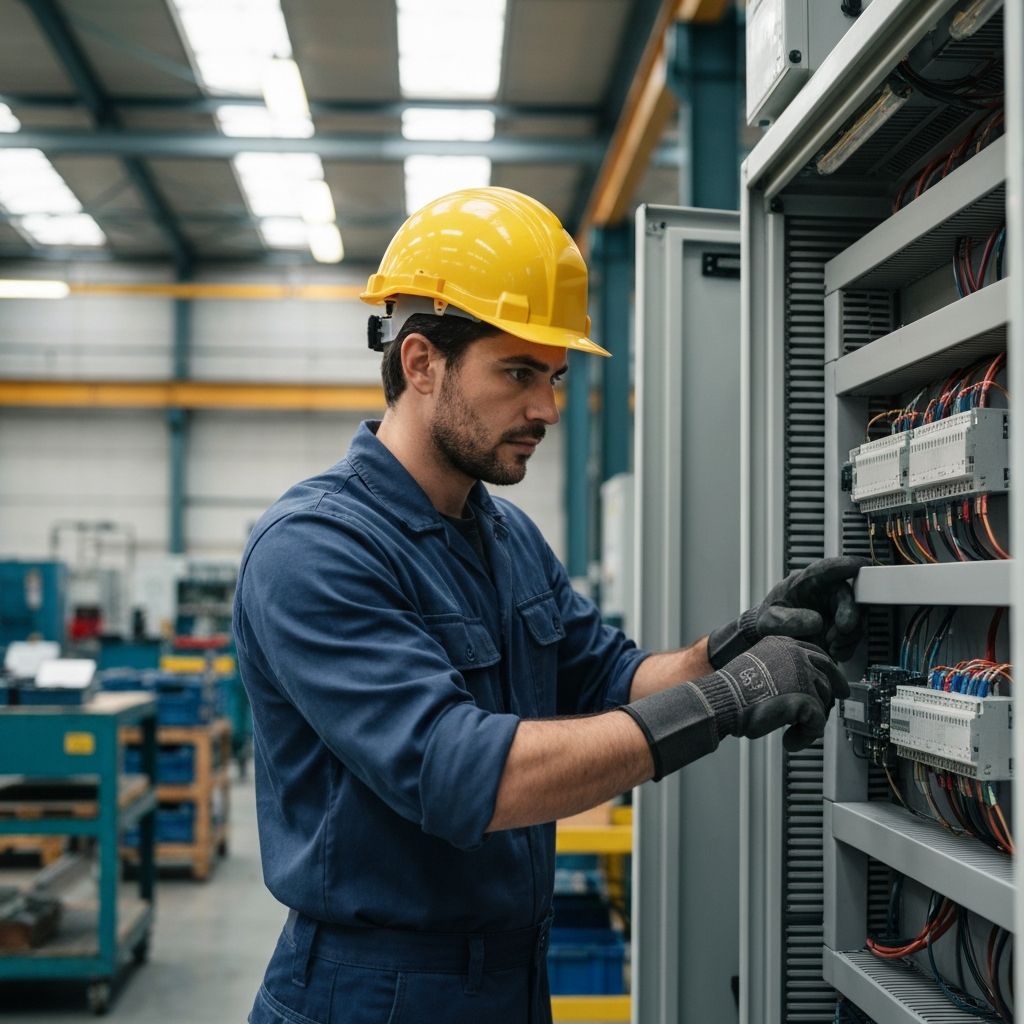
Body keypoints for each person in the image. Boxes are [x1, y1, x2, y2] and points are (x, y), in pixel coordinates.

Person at [233, 186, 864, 1024]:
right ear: (420, 363)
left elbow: (608, 675)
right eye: (519, 372)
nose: (547, 409)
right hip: (372, 989)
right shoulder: (314, 550)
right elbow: (459, 773)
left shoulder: (505, 536)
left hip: (510, 975)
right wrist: (722, 703)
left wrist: (735, 646)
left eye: (555, 376)